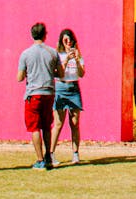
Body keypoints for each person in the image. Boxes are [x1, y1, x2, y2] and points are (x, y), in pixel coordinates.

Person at [17, 22, 63, 169]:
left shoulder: (26, 54)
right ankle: (49, 155)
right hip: (49, 92)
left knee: (34, 128)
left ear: (32, 35)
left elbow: (19, 77)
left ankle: (39, 159)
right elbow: (60, 74)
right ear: (45, 34)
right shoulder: (52, 52)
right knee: (46, 126)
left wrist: (28, 73)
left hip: (33, 93)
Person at [50, 28, 85, 164]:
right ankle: (51, 153)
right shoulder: (57, 54)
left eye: (70, 40)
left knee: (75, 123)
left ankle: (75, 153)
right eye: (65, 40)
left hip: (73, 88)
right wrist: (65, 61)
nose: (68, 42)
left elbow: (82, 74)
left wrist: (76, 60)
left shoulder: (78, 54)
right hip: (60, 87)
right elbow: (57, 73)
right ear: (61, 41)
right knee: (58, 123)